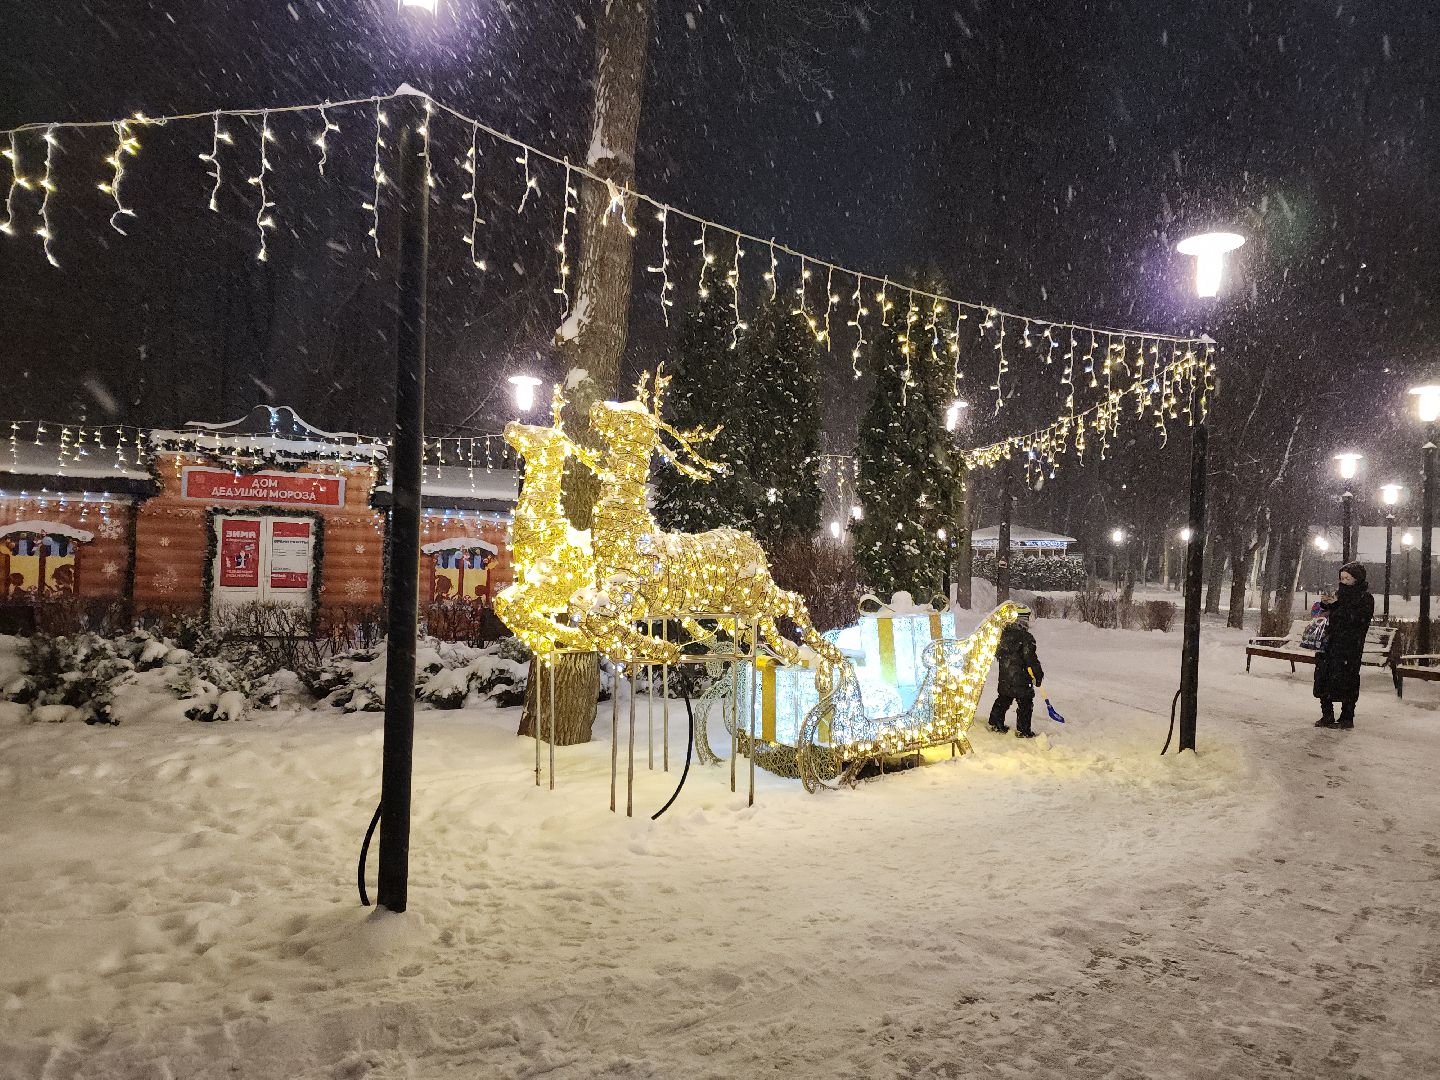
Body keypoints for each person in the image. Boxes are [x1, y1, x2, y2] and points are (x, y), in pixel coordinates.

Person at [1314, 561, 1374, 730]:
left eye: (1348, 578)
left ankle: (1347, 717)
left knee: (1347, 680)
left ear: (1357, 579)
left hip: (1349, 647)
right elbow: (1322, 614)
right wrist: (1324, 604)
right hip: (1329, 643)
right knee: (1323, 677)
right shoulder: (1337, 594)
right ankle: (1327, 714)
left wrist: (1336, 607)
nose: (1344, 581)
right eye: (1342, 578)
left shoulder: (1365, 598)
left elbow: (1357, 620)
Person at [987, 607, 1045, 739]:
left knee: (1003, 699)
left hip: (1005, 678)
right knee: (1025, 703)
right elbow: (1031, 659)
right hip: (1022, 679)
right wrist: (1038, 675)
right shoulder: (1026, 638)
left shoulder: (1002, 635)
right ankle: (1023, 730)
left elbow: (998, 654)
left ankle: (996, 723)